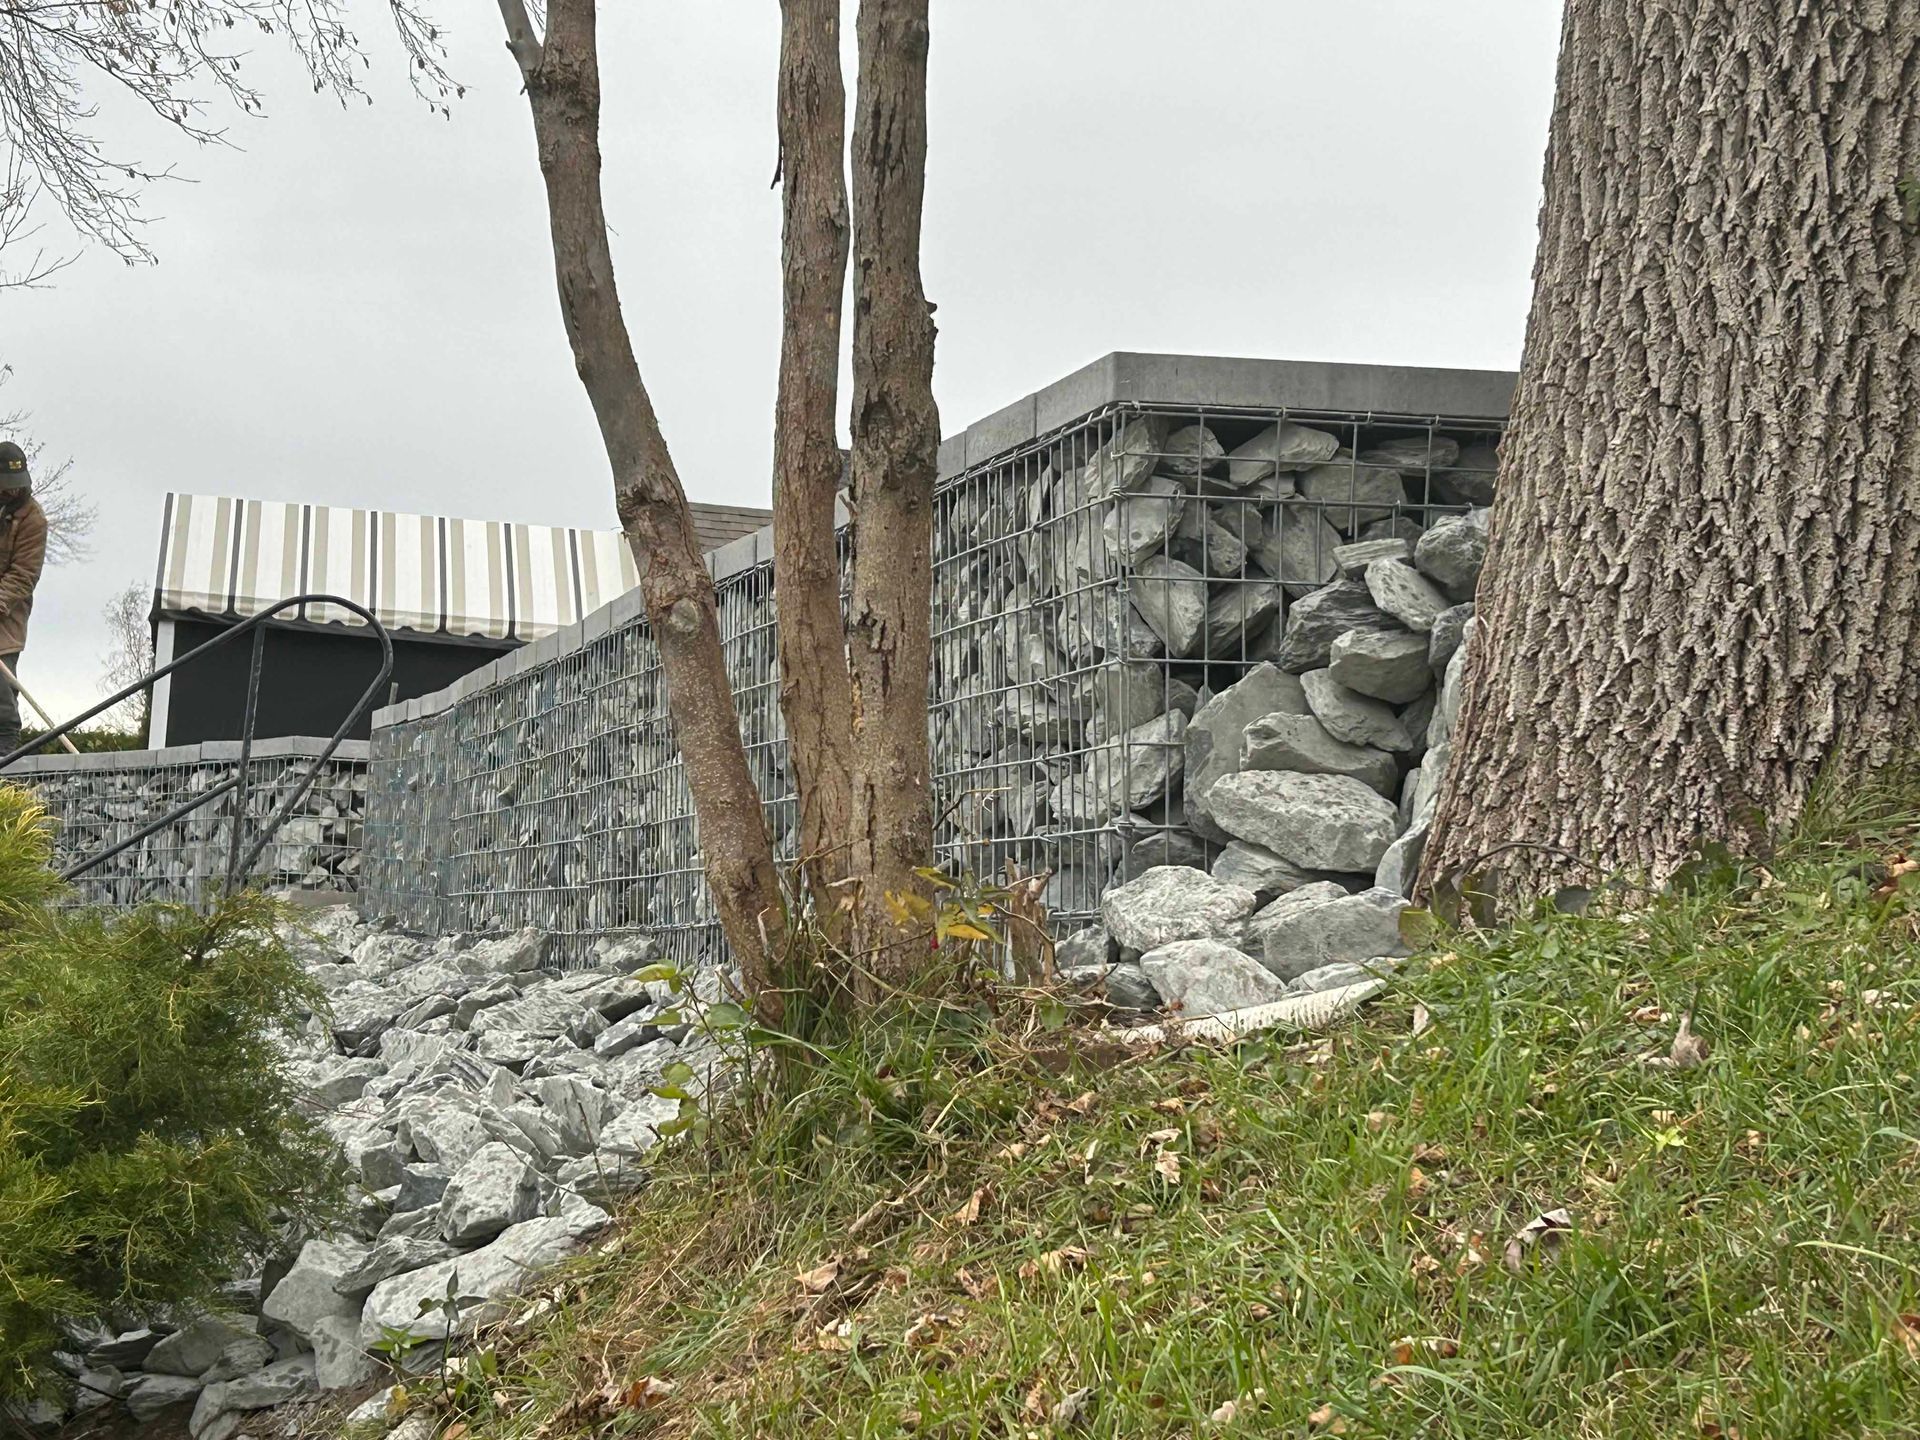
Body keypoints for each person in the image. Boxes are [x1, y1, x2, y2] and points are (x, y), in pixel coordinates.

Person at [0, 440, 48, 758]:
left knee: (1, 681)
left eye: (16, 484)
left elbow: (23, 575)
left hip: (8, 611)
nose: (13, 490)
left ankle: (5, 746)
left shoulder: (33, 520)